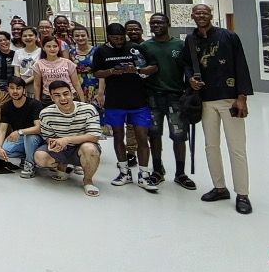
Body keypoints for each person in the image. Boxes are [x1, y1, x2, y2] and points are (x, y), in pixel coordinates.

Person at [183, 4, 253, 214]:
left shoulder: (229, 36)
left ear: (211, 15)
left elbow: (241, 65)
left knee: (237, 148)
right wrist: (190, 79)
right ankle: (219, 187)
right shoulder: (190, 40)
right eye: (197, 13)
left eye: (205, 12)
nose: (201, 15)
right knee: (211, 146)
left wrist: (242, 97)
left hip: (230, 99)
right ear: (192, 16)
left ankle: (242, 194)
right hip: (205, 100)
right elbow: (186, 65)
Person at [92, 23, 159, 192]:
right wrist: (111, 72)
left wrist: (136, 69)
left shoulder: (135, 48)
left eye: (122, 38)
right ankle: (124, 172)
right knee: (118, 136)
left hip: (138, 101)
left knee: (142, 137)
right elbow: (96, 72)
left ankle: (144, 174)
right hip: (115, 102)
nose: (119, 41)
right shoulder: (101, 51)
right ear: (108, 37)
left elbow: (153, 67)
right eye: (115, 38)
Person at [142, 13, 196, 190]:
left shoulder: (180, 45)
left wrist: (189, 91)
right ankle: (158, 170)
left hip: (176, 97)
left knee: (179, 136)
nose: (156, 25)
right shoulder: (145, 46)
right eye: (152, 23)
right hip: (152, 97)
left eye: (160, 22)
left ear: (168, 23)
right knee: (154, 134)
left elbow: (188, 69)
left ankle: (180, 174)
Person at [34, 81, 103, 197]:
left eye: (66, 94)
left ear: (72, 94)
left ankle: (88, 180)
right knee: (40, 157)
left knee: (90, 149)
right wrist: (53, 143)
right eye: (57, 95)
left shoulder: (88, 109)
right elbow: (47, 136)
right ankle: (63, 168)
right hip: (62, 148)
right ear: (52, 98)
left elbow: (94, 136)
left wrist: (66, 140)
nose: (63, 98)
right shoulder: (45, 113)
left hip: (81, 147)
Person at [0, 76, 45, 178]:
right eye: (12, 88)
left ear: (24, 90)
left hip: (37, 137)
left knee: (29, 137)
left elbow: (38, 128)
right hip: (22, 137)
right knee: (6, 150)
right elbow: (2, 130)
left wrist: (19, 132)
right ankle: (28, 156)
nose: (15, 91)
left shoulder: (34, 104)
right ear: (8, 89)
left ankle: (30, 165)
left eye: (18, 88)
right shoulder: (6, 107)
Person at [32, 36, 84, 105]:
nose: (52, 49)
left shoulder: (67, 62)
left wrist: (83, 101)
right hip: (48, 98)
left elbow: (76, 83)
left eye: (55, 46)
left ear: (58, 48)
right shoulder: (38, 64)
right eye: (48, 46)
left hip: (69, 95)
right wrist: (37, 102)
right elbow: (37, 85)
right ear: (43, 48)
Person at [70, 27, 99, 107]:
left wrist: (100, 91)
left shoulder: (97, 51)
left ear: (88, 36)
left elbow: (102, 70)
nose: (80, 38)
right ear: (73, 38)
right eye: (77, 36)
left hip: (95, 84)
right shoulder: (71, 52)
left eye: (83, 35)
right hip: (77, 85)